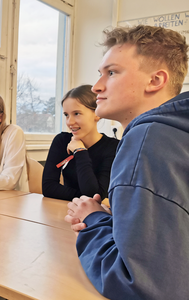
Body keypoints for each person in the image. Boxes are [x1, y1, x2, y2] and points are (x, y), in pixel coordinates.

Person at [64, 25, 189, 299]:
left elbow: (139, 285)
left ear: (155, 80)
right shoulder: (175, 133)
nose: (97, 86)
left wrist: (93, 220)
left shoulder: (147, 139)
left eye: (112, 72)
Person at [42, 85, 119, 201]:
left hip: (96, 215)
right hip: (67, 210)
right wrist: (85, 197)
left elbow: (94, 194)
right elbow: (48, 188)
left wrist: (80, 151)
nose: (70, 122)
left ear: (97, 114)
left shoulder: (113, 147)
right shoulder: (61, 141)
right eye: (66, 115)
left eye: (76, 113)